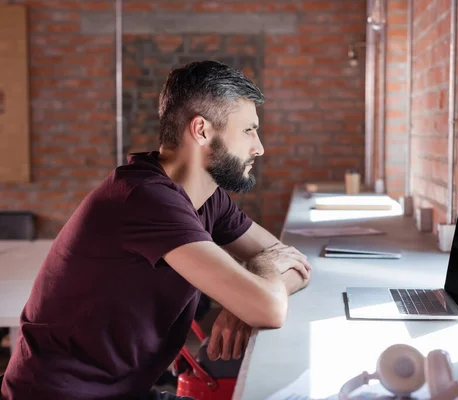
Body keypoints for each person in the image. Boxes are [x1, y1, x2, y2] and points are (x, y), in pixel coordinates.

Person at [0, 60, 312, 400]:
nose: (259, 147)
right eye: (248, 130)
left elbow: (294, 263)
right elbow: (269, 305)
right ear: (202, 130)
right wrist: (254, 291)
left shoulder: (206, 197)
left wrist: (247, 298)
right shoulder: (146, 199)